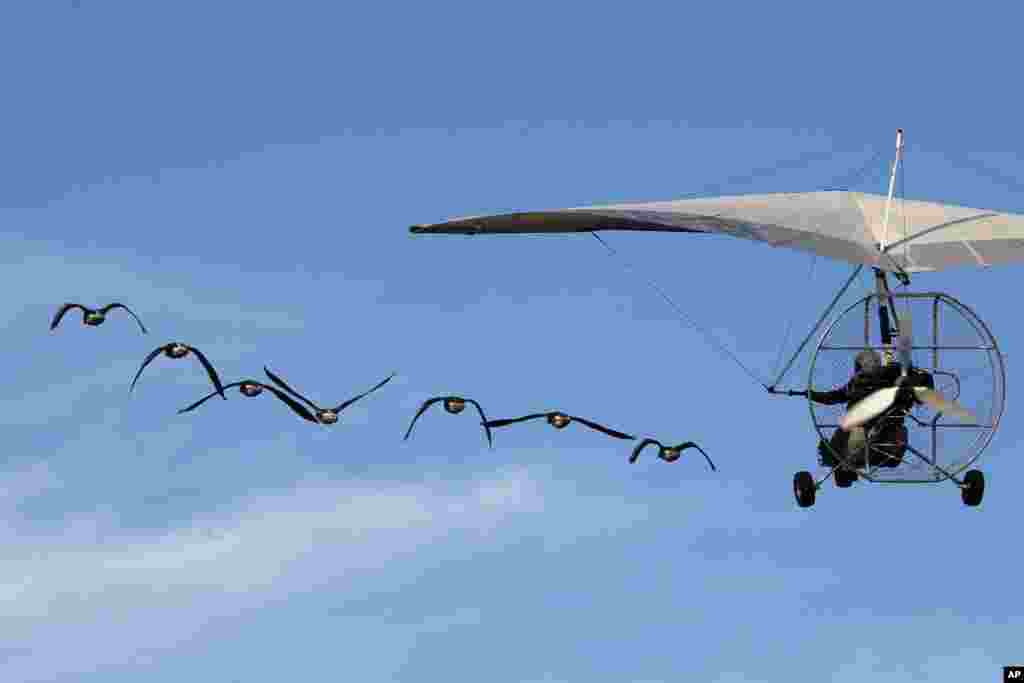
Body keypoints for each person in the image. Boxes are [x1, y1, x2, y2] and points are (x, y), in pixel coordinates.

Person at [771, 349, 934, 468]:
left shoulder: (890, 373)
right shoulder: (854, 384)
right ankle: (840, 461)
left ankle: (842, 459)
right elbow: (832, 397)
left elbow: (919, 380)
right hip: (863, 427)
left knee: (850, 432)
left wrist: (910, 382)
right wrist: (811, 394)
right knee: (845, 434)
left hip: (882, 424)